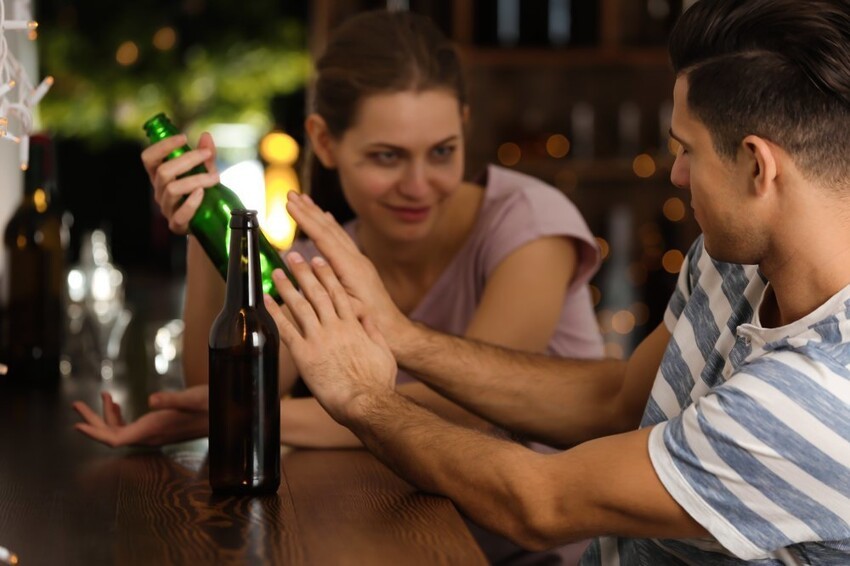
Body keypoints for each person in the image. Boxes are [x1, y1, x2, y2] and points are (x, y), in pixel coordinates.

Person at [257, 0, 850, 563]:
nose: (674, 174)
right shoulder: (732, 262)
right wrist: (399, 335)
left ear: (756, 165)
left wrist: (363, 399)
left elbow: (539, 501)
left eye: (686, 151)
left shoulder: (817, 398)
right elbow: (616, 402)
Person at [72, 9, 602, 564]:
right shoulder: (322, 258)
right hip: (409, 539)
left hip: (539, 553)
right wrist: (207, 228)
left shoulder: (529, 221)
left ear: (465, 126)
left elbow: (472, 410)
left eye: (442, 151)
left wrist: (239, 417)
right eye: (387, 156)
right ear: (324, 142)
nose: (419, 185)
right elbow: (229, 387)